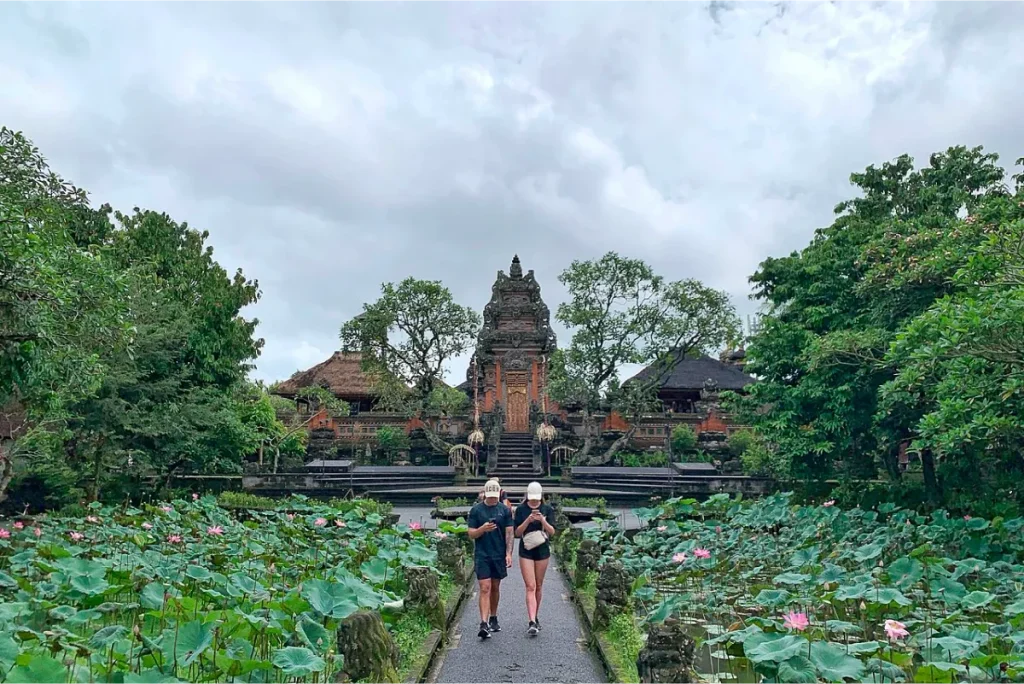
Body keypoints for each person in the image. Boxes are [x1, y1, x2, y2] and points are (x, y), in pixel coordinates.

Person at [467, 479, 513, 639]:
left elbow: (509, 533)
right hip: (482, 553)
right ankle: (483, 622)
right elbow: (471, 533)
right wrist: (482, 529)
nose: (493, 499)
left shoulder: (504, 510)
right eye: (490, 496)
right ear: (485, 494)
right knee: (484, 587)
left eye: (495, 496)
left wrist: (508, 553)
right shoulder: (476, 511)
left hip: (498, 553)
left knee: (495, 587)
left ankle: (493, 616)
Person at [513, 481, 556, 636]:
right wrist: (528, 520)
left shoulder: (547, 509)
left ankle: (535, 616)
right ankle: (531, 620)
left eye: (536, 499)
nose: (534, 502)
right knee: (530, 586)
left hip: (542, 549)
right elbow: (517, 533)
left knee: (538, 585)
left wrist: (542, 520)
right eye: (532, 499)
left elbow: (552, 532)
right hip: (526, 549)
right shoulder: (521, 510)